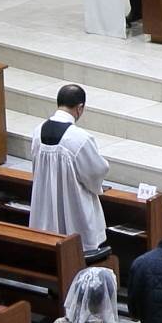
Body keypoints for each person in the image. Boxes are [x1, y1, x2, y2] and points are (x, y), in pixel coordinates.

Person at [27, 85, 110, 260]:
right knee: (75, 252)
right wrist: (98, 187)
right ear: (80, 108)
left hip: (45, 204)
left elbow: (36, 168)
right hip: (74, 205)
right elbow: (97, 171)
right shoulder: (79, 138)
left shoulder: (37, 131)